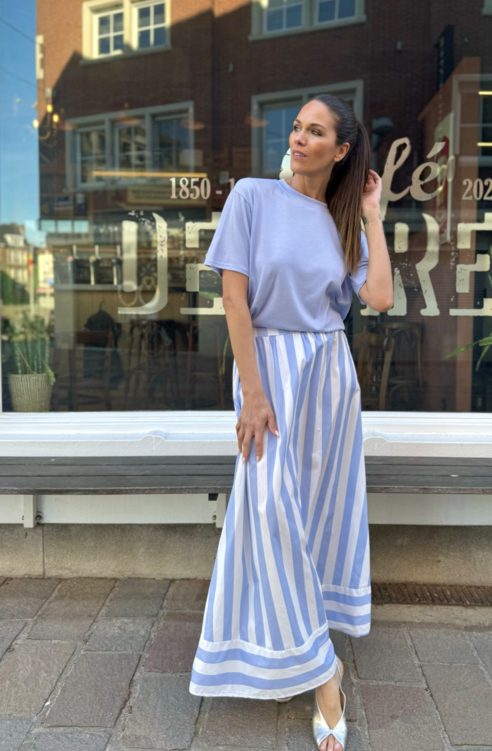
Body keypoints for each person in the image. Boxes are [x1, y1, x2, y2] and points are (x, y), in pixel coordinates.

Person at [189, 93, 394, 751]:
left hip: (328, 375)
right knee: (270, 508)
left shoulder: (342, 222)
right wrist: (252, 392)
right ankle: (324, 673)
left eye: (316, 132)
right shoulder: (252, 196)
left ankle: (302, 650)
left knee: (317, 514)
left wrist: (372, 215)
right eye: (297, 127)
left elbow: (380, 296)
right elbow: (233, 297)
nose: (299, 138)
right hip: (267, 368)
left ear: (340, 150)